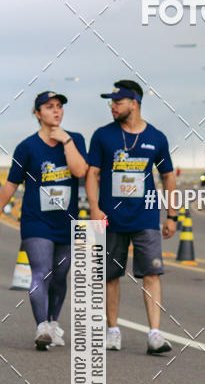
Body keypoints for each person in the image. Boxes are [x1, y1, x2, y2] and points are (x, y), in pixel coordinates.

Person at [85, 79, 178, 354]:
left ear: (134, 103)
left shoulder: (156, 137)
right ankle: (112, 331)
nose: (112, 107)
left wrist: (172, 215)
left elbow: (168, 176)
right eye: (111, 102)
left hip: (145, 217)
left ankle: (155, 334)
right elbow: (92, 173)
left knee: (152, 273)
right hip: (111, 218)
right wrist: (94, 208)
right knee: (110, 275)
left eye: (118, 102)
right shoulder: (103, 136)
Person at [0, 91, 87, 349]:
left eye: (59, 106)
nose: (56, 110)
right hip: (36, 221)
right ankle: (41, 327)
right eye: (49, 107)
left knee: (60, 275)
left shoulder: (75, 140)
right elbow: (10, 185)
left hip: (66, 222)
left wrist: (66, 141)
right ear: (38, 113)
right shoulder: (27, 147)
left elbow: (80, 171)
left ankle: (52, 323)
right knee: (41, 271)